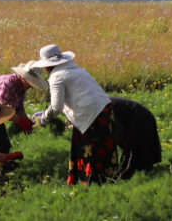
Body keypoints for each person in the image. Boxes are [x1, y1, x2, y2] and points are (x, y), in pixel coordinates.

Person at [31, 43, 118, 185]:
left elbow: (57, 107)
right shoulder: (75, 68)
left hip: (91, 116)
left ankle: (92, 183)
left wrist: (43, 119)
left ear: (47, 66)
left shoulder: (56, 76)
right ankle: (107, 180)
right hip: (105, 109)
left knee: (90, 150)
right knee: (104, 147)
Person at [0, 61, 48, 153]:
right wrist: (20, 121)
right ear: (23, 78)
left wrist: (28, 122)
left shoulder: (22, 88)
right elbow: (2, 109)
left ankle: (0, 163)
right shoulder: (10, 83)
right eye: (31, 83)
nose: (31, 86)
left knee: (3, 144)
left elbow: (19, 108)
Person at [109, 96, 162, 178]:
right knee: (137, 157)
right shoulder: (101, 102)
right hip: (140, 115)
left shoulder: (102, 107)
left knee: (132, 158)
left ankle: (135, 176)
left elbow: (117, 131)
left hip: (138, 117)